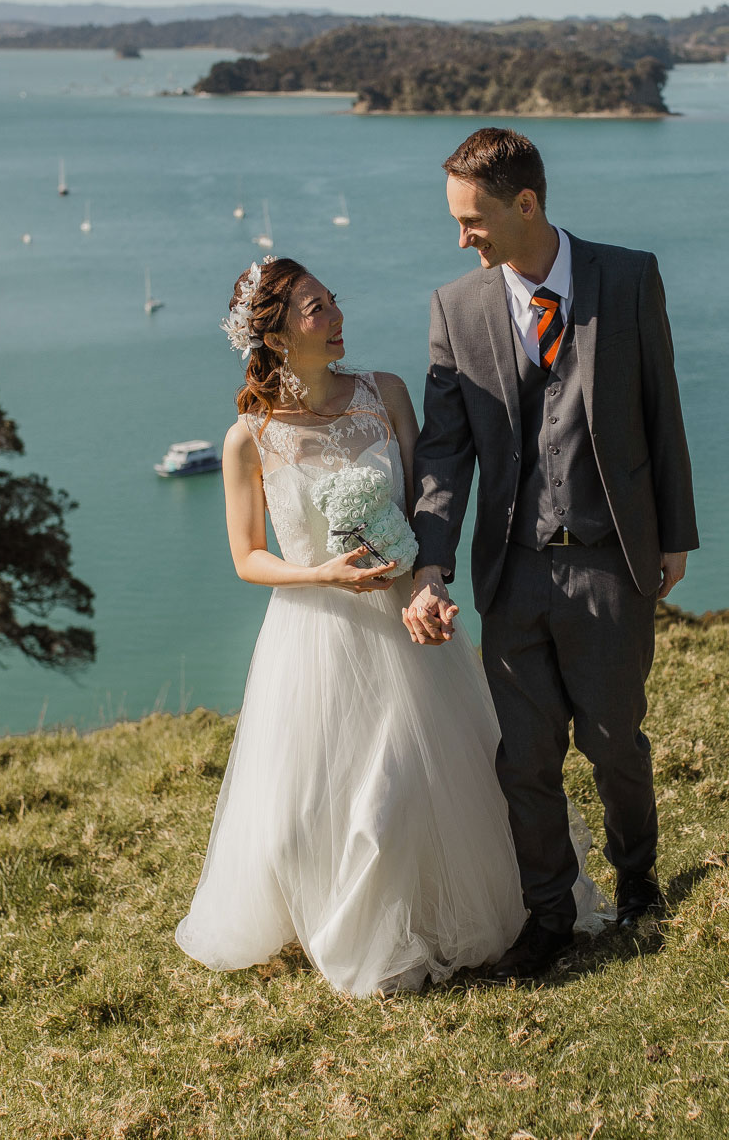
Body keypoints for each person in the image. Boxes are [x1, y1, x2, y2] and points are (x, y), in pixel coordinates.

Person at [175, 256, 602, 996]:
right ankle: (338, 922)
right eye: (315, 309)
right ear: (275, 336)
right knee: (302, 812)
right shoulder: (251, 437)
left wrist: (427, 582)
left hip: (407, 623)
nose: (335, 315)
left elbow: (429, 501)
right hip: (315, 631)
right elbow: (248, 557)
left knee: (410, 787)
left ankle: (438, 924)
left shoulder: (387, 394)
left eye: (332, 301)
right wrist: (322, 575)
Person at [404, 128, 699, 981]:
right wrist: (434, 562)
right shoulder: (456, 308)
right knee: (524, 757)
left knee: (615, 742)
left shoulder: (629, 275)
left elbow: (661, 410)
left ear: (525, 203)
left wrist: (675, 533)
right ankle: (549, 914)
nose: (463, 237)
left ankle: (640, 886)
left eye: (473, 220)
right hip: (514, 569)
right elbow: (444, 455)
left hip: (611, 559)